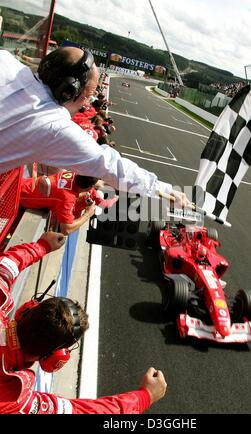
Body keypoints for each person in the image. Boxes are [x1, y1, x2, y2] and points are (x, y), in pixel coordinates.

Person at [0, 47, 190, 208]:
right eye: (87, 95)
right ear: (68, 91)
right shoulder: (53, 125)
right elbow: (109, 164)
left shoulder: (5, 59)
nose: (85, 103)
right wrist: (165, 190)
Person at [0, 232, 167, 414]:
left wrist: (41, 246)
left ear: (27, 308)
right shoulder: (16, 399)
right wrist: (145, 396)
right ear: (54, 357)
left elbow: (7, 266)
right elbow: (84, 411)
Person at [20, 172, 118, 235]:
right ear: (89, 187)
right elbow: (66, 230)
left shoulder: (74, 173)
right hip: (18, 198)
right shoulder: (67, 199)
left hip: (22, 183)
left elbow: (97, 184)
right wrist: (88, 214)